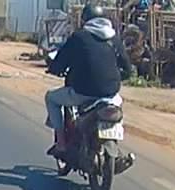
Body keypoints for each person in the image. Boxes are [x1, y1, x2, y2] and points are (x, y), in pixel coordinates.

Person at [44, 4, 132, 155]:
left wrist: (54, 69)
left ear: (85, 20)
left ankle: (61, 142)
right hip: (110, 94)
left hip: (82, 93)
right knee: (117, 109)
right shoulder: (114, 39)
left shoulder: (79, 37)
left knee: (51, 98)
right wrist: (116, 77)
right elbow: (128, 69)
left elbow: (61, 61)